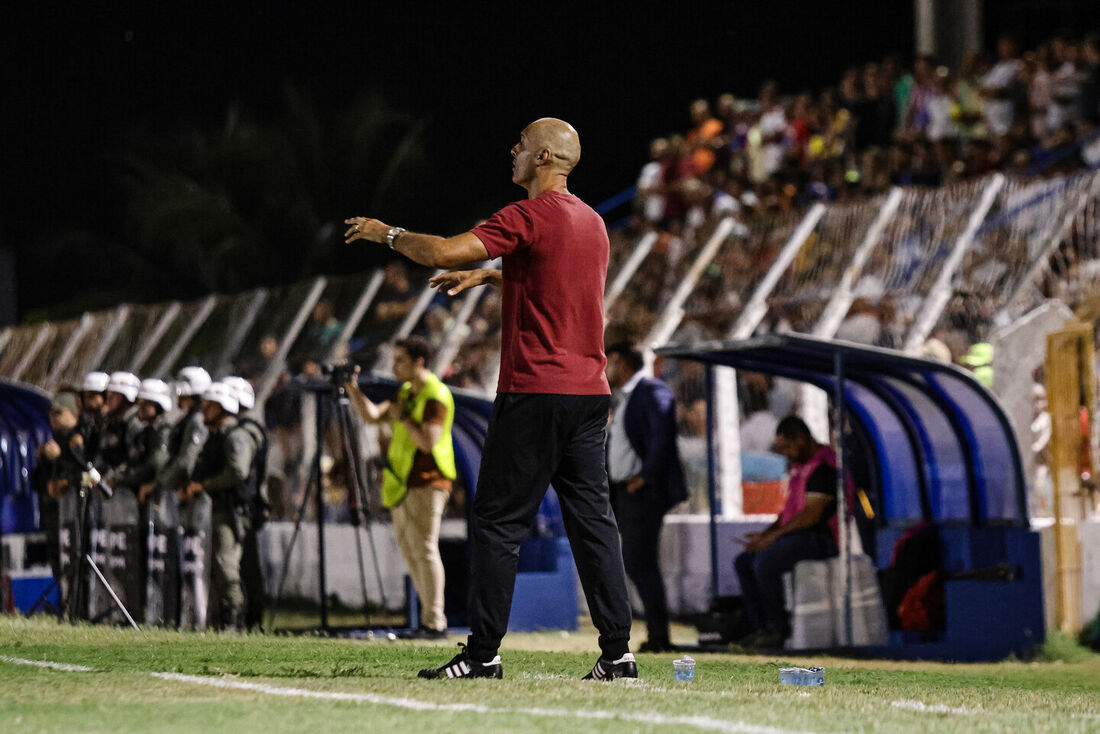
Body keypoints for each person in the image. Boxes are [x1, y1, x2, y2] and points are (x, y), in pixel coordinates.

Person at [346, 118, 635, 681]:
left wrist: (387, 233)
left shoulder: (527, 215)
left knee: (499, 524)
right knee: (593, 523)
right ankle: (618, 655)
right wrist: (491, 280)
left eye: (522, 144)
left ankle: (482, 657)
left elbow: (441, 252)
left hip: (534, 392)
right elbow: (558, 289)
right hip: (589, 396)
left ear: (546, 156)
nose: (513, 150)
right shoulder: (593, 223)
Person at [345, 336, 457, 640]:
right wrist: (352, 389)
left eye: (400, 360)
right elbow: (371, 416)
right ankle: (428, 621)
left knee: (425, 548)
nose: (394, 366)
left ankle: (435, 623)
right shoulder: (407, 392)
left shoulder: (435, 394)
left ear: (419, 362)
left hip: (429, 481)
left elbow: (427, 442)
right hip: (403, 482)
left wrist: (404, 417)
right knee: (411, 551)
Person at [733, 416, 848, 649]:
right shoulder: (800, 469)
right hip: (797, 535)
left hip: (820, 539)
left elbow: (810, 516)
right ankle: (760, 628)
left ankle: (777, 629)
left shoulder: (823, 468)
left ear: (802, 438)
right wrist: (764, 535)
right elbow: (788, 513)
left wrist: (772, 539)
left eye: (787, 446)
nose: (785, 453)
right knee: (744, 562)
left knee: (764, 563)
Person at [604, 342, 686, 653]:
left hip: (643, 492)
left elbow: (662, 435)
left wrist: (644, 477)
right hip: (626, 492)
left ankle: (659, 636)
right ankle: (657, 635)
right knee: (638, 563)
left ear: (620, 361)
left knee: (640, 563)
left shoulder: (651, 390)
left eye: (608, 361)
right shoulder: (625, 398)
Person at [183, 382, 255, 631]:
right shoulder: (215, 436)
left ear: (222, 408)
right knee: (214, 568)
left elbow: (237, 471)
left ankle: (235, 620)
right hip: (214, 511)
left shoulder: (235, 436)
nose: (203, 410)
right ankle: (219, 619)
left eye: (208, 406)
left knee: (227, 568)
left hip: (230, 512)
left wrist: (205, 486)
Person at [223, 375, 270, 631]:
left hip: (246, 505)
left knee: (246, 566)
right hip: (247, 504)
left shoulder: (246, 431)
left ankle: (252, 618)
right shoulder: (247, 428)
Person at [155, 366, 212, 497]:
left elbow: (186, 462)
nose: (179, 397)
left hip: (186, 493)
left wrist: (161, 483)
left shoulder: (197, 421)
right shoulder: (188, 418)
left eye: (183, 394)